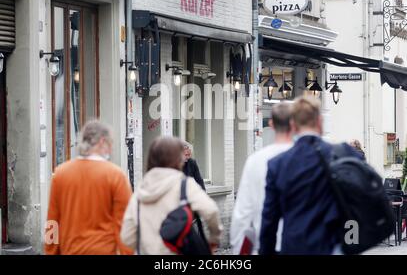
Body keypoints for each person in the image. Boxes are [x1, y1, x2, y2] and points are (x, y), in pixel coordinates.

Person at [259, 96, 364, 255]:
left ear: (293, 125)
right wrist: (353, 244)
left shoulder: (278, 164)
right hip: (333, 246)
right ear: (320, 122)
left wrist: (266, 251)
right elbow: (357, 205)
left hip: (294, 247)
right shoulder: (344, 154)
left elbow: (269, 219)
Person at [120, 137, 222, 255]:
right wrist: (214, 239)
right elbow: (212, 211)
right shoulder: (185, 185)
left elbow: (126, 236)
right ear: (177, 159)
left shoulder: (139, 193)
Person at [45, 120, 133, 255]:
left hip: (70, 250)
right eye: (110, 144)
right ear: (102, 142)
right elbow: (124, 224)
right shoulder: (116, 176)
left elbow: (52, 222)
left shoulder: (60, 174)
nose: (111, 149)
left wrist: (51, 252)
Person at [231, 102, 294, 255]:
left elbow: (243, 212)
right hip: (301, 243)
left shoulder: (255, 160)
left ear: (271, 124)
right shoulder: (307, 159)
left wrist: (238, 250)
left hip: (265, 244)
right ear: (295, 123)